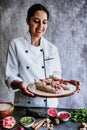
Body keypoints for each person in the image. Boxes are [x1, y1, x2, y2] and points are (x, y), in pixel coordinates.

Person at [5, 3, 62, 107]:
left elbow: (56, 76)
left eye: (44, 22)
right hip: (25, 103)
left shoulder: (52, 48)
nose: (40, 26)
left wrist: (67, 84)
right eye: (36, 21)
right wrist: (20, 84)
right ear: (27, 21)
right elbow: (10, 75)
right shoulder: (16, 44)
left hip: (49, 103)